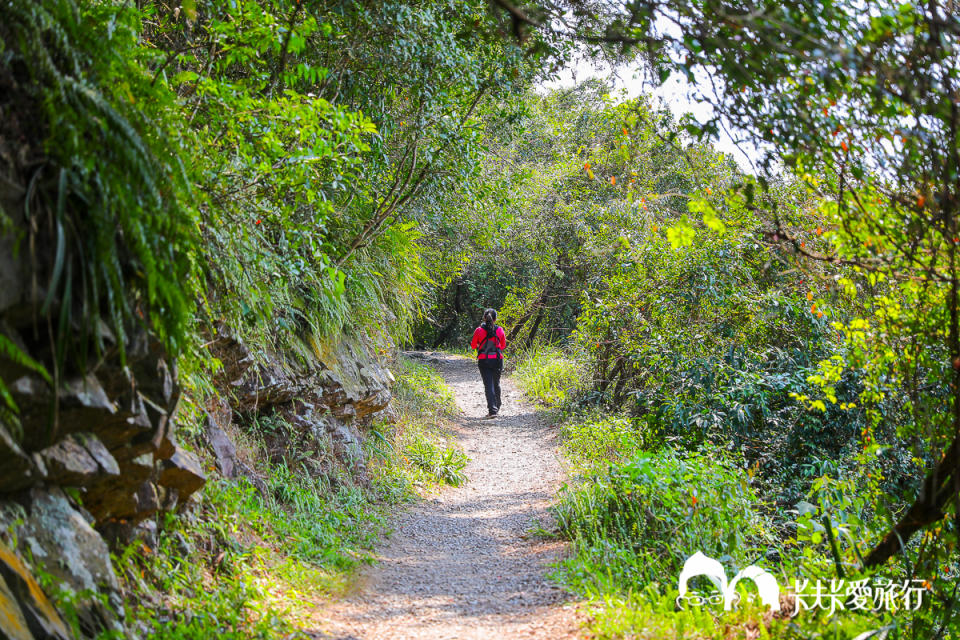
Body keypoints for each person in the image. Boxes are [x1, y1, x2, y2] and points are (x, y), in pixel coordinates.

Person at [470, 308, 506, 417]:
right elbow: (503, 346)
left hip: (484, 360)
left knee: (488, 385)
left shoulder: (479, 330)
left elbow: (473, 345)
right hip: (497, 360)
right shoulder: (500, 330)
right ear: (495, 319)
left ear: (484, 318)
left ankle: (492, 410)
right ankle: (497, 406)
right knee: (496, 383)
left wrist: (480, 346)